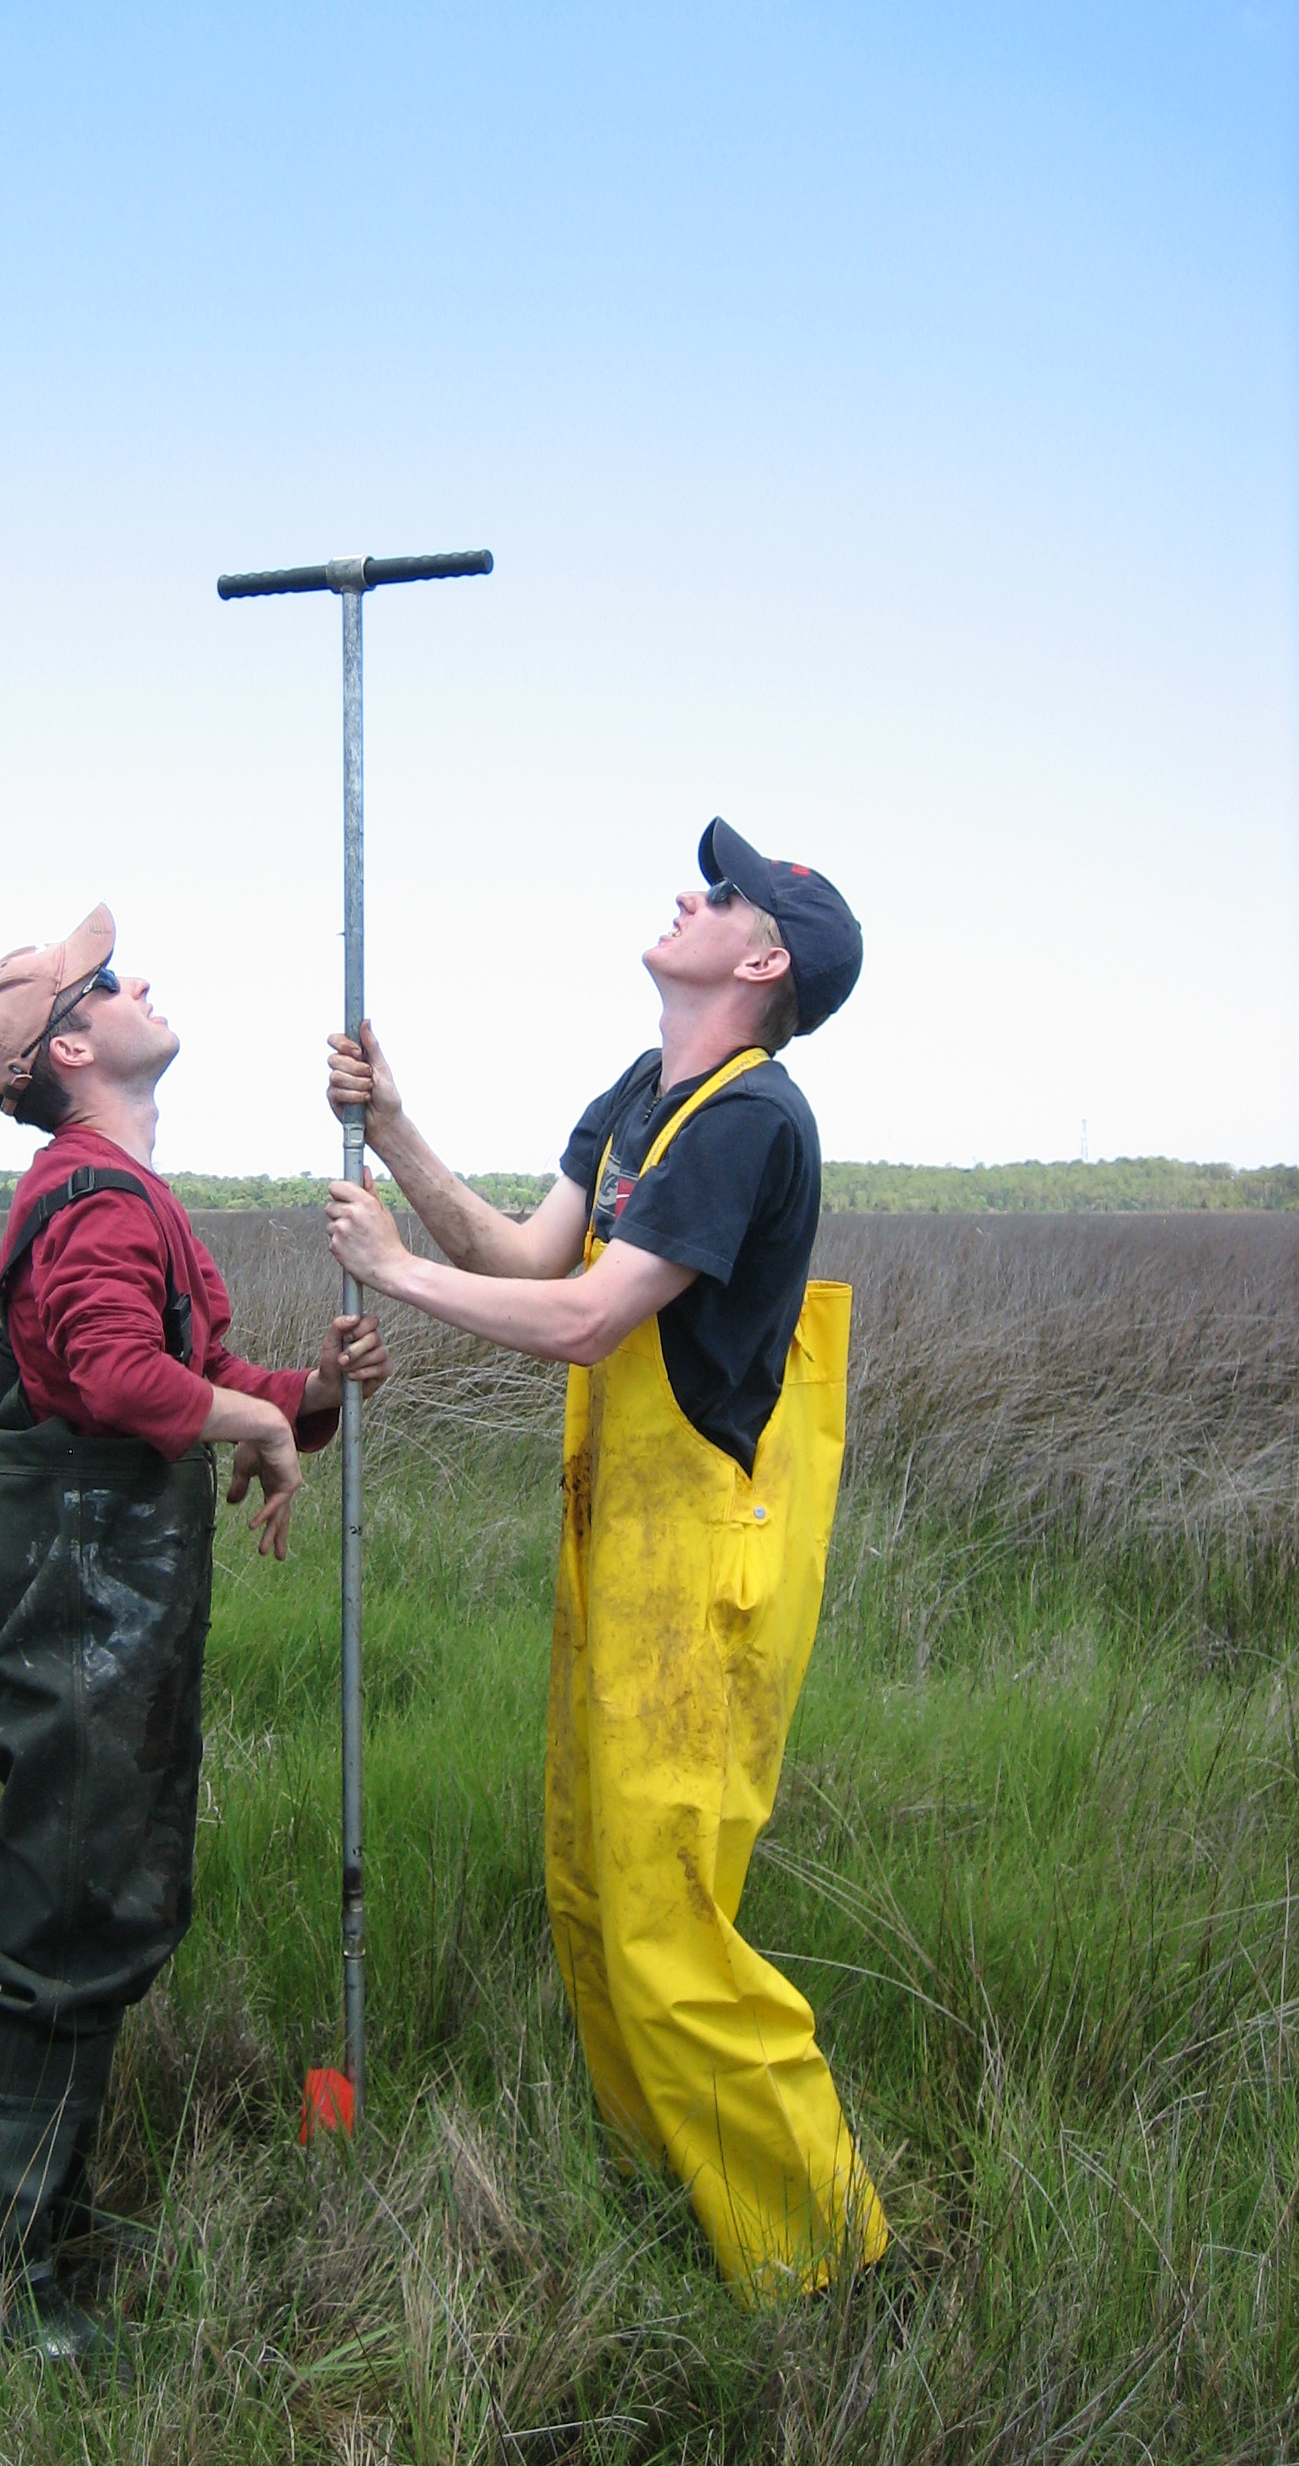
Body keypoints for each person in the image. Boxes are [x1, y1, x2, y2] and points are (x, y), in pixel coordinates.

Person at [323, 818, 889, 2304]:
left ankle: (826, 2259)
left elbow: (590, 1323)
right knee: (587, 1887)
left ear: (762, 959)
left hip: (703, 1561)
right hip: (612, 1541)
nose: (692, 894)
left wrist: (391, 1274)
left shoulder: (755, 1119)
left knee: (664, 1912)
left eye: (726, 893)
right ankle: (680, 2195)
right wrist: (398, 1139)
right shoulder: (645, 1094)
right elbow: (529, 1261)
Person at [0, 900, 388, 2359]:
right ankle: (12, 2287)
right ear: (72, 1045)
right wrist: (252, 1416)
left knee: (106, 1903)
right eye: (111, 980)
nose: (143, 982)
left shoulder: (125, 1194)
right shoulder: (86, 1196)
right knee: (60, 1920)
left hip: (109, 1608)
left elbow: (195, 1372)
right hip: (78, 1604)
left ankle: (52, 2228)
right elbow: (112, 1371)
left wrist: (308, 1395)